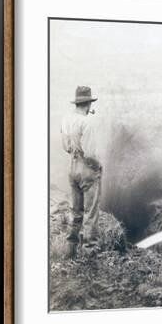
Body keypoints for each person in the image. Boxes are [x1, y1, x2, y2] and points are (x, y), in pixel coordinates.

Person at [61, 85, 102, 260]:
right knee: (90, 213)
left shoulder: (66, 120)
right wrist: (98, 167)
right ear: (88, 104)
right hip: (87, 169)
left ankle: (71, 252)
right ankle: (89, 254)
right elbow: (91, 154)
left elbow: (65, 147)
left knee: (75, 211)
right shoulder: (88, 122)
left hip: (73, 167)